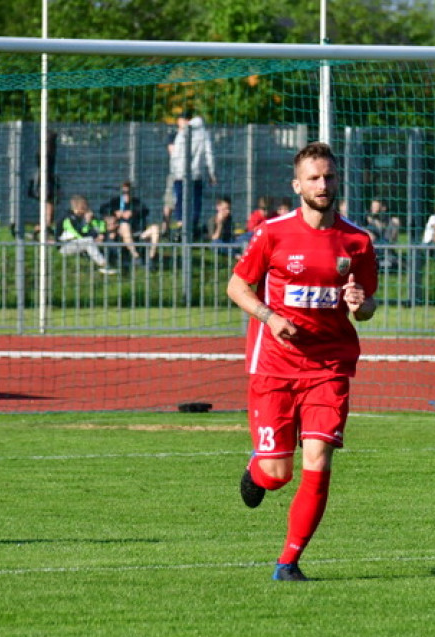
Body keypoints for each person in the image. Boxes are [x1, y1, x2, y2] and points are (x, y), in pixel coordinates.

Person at [226, 142, 378, 582]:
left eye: (329, 177)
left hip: (329, 368)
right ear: (297, 185)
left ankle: (288, 562)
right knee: (277, 473)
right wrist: (269, 317)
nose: (323, 184)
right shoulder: (273, 233)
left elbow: (366, 308)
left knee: (320, 459)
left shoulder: (357, 241)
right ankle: (260, 466)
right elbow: (237, 286)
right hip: (274, 366)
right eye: (313, 178)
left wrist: (360, 303)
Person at [167, 111, 217, 241]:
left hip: (180, 173)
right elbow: (209, 154)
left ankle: (181, 227)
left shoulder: (182, 133)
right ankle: (192, 227)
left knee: (180, 199)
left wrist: (174, 170)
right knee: (195, 201)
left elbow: (175, 155)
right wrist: (211, 172)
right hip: (196, 173)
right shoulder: (203, 133)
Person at [100, 181, 161, 267]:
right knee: (125, 225)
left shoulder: (136, 202)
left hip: (136, 231)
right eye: (124, 192)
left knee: (155, 228)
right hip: (121, 231)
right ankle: (135, 256)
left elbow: (145, 210)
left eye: (129, 192)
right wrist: (116, 213)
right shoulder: (116, 202)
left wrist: (133, 212)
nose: (127, 195)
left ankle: (151, 257)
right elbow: (103, 209)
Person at [58, 195, 118, 275]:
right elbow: (79, 234)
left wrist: (101, 234)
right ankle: (104, 265)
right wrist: (86, 222)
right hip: (65, 245)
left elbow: (100, 224)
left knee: (108, 239)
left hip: (81, 242)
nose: (87, 208)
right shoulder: (69, 218)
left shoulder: (85, 216)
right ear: (79, 207)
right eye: (85, 206)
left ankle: (118, 263)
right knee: (88, 241)